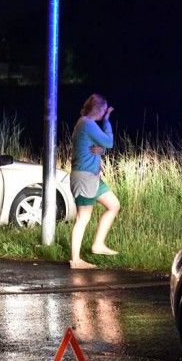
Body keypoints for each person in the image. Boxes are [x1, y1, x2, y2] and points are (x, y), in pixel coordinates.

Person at [69, 93, 121, 270]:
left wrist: (101, 151)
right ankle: (75, 260)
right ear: (99, 110)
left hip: (92, 177)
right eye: (104, 111)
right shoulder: (87, 124)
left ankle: (98, 245)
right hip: (84, 177)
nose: (104, 113)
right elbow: (109, 142)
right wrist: (107, 121)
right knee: (83, 217)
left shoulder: (84, 124)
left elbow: (96, 147)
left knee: (113, 205)